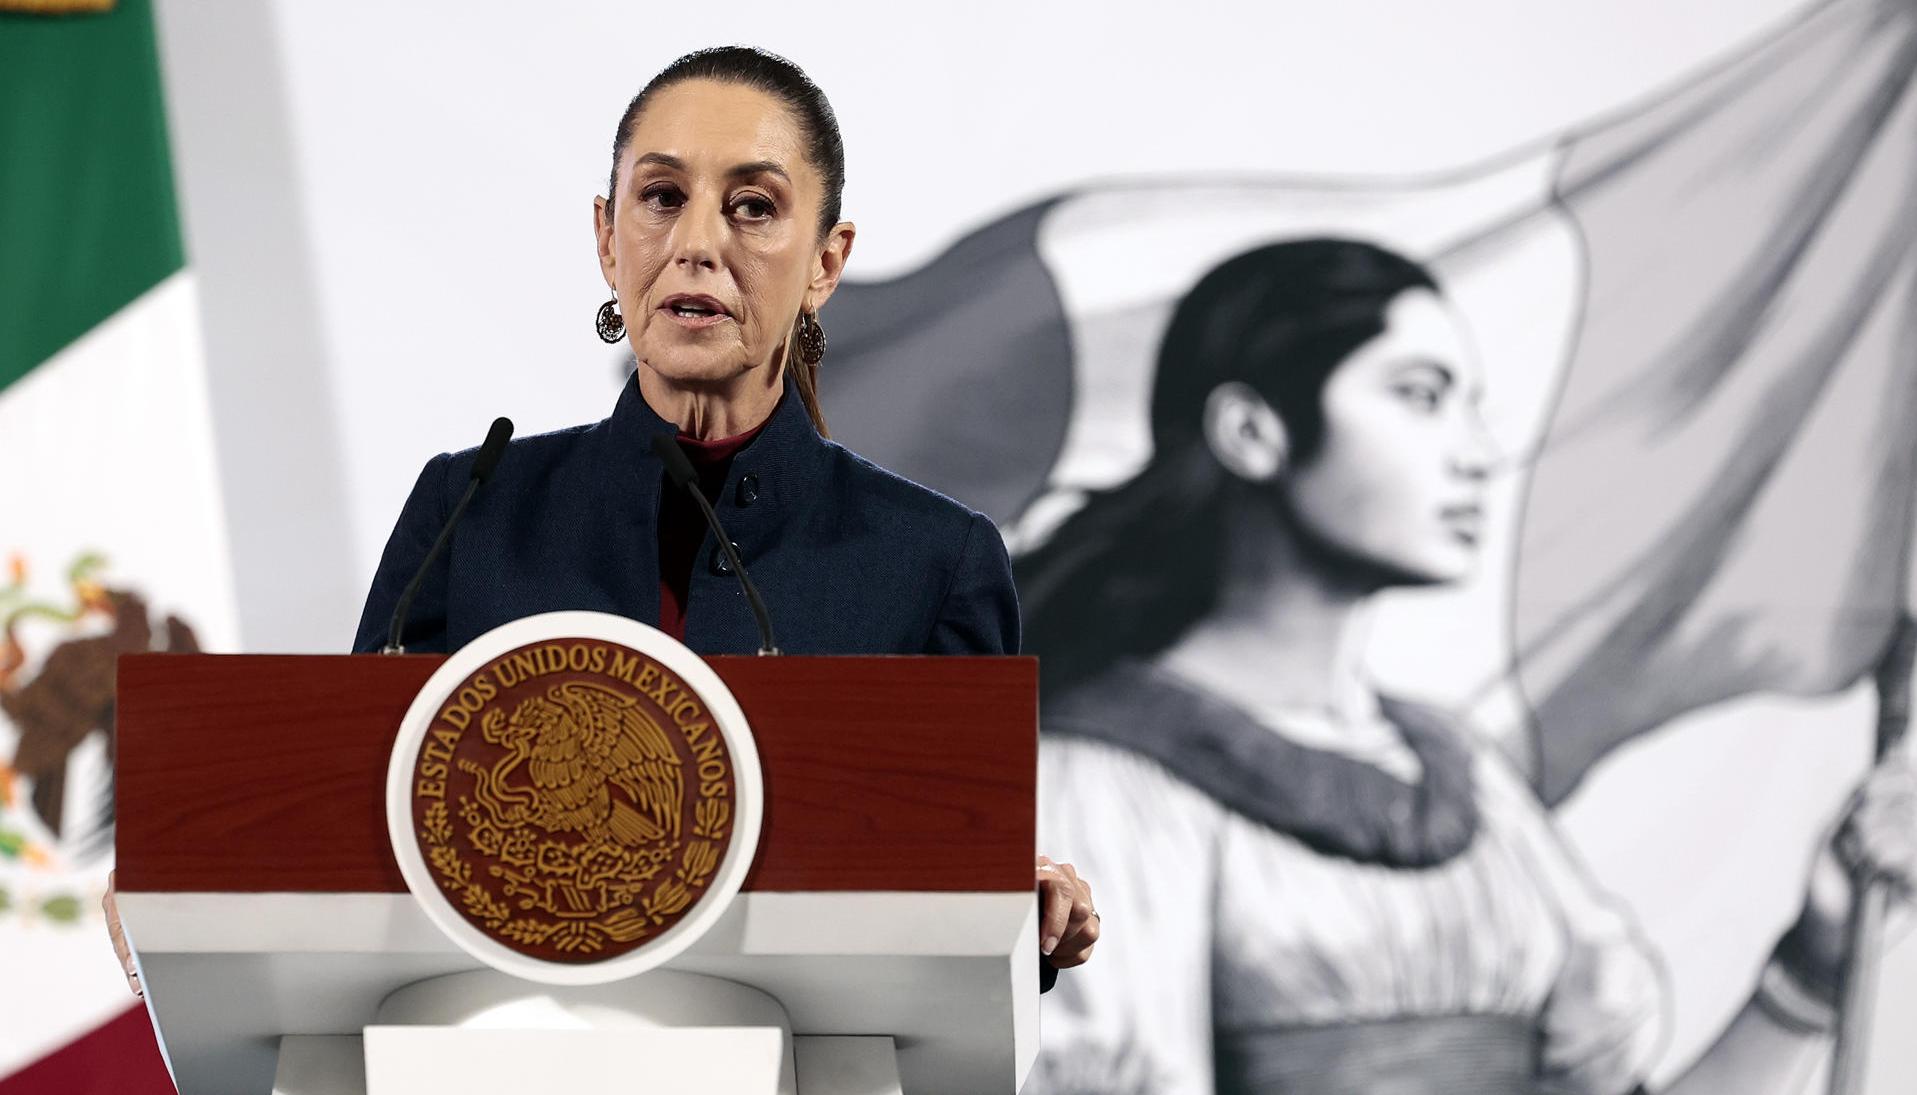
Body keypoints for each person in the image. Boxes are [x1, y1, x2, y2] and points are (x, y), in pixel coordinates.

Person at [105, 45, 1096, 997]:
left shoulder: (933, 561)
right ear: (607, 237)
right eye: (662, 198)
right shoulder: (472, 511)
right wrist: (193, 893)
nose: (698, 242)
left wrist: (1024, 918)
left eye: (752, 207)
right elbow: (360, 833)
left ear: (827, 263)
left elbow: (961, 904)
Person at [1016, 238, 1916, 1094]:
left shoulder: (1465, 776)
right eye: (1420, 394)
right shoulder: (1094, 781)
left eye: (1468, 403)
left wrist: (1812, 964)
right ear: (1252, 430)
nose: (1479, 453)